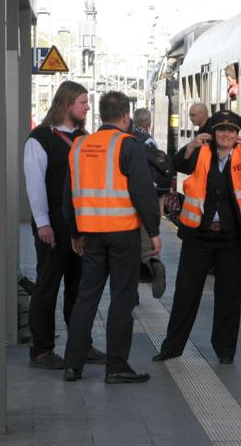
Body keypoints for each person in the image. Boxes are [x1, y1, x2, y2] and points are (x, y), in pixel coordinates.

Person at [152, 110, 241, 365]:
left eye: (231, 131)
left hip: (232, 239)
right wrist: (192, 144)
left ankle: (225, 351)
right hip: (199, 236)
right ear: (212, 133)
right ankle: (172, 348)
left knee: (229, 296)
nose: (226, 134)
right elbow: (177, 165)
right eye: (221, 130)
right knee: (185, 293)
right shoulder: (201, 152)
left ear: (237, 135)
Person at [63, 91, 161, 384]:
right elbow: (143, 193)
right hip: (122, 235)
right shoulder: (128, 145)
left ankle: (72, 365)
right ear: (125, 117)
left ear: (100, 115)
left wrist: (74, 232)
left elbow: (68, 195)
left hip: (90, 235)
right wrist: (154, 232)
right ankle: (116, 367)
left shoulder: (79, 145)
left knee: (86, 297)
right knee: (121, 298)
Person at [23, 80, 106, 369]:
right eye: (83, 102)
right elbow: (35, 185)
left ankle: (80, 345)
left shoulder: (85, 138)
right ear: (67, 103)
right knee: (47, 287)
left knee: (79, 288)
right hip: (54, 228)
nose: (87, 107)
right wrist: (43, 223)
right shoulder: (40, 138)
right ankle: (41, 350)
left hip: (81, 228)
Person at [132, 107, 170, 299]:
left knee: (131, 249)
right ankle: (155, 265)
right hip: (149, 201)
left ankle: (133, 294)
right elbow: (159, 176)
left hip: (129, 200)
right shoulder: (150, 142)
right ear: (149, 124)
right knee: (148, 245)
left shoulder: (128, 139)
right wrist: (160, 203)